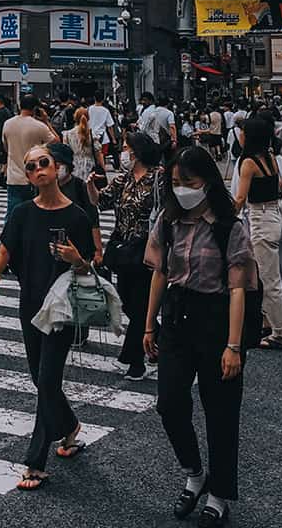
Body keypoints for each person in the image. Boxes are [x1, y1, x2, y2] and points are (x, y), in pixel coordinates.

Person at [143, 146, 255, 527]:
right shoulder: (168, 220)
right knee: (169, 403)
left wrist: (234, 346)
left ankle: (219, 493)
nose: (181, 190)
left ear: (206, 182)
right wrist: (148, 324)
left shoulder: (229, 226)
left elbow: (239, 288)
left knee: (221, 414)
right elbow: (159, 272)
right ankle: (194, 472)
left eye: (188, 183)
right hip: (176, 317)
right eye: (175, 183)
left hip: (217, 319)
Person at [0, 142, 96, 491]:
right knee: (39, 377)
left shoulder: (77, 216)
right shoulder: (22, 214)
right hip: (30, 304)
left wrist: (76, 257)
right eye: (30, 167)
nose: (37, 170)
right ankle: (71, 426)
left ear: (58, 167)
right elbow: (6, 248)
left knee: (47, 381)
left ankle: (35, 462)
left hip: (61, 309)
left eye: (43, 163)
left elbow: (91, 265)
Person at [104, 130, 161, 381]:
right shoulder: (123, 178)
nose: (123, 152)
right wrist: (90, 187)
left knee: (139, 305)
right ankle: (160, 339)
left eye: (126, 147)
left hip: (148, 248)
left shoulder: (159, 177)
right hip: (124, 248)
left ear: (136, 152)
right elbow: (102, 201)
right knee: (128, 302)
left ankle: (134, 361)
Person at [231, 118, 282, 350]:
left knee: (269, 279)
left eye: (243, 132)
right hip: (273, 216)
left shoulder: (248, 163)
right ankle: (266, 321)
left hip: (260, 219)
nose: (240, 135)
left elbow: (240, 198)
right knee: (261, 276)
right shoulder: (270, 159)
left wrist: (227, 217)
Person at [1, 92, 57, 223]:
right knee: (35, 214)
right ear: (35, 108)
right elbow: (56, 141)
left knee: (12, 214)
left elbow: (6, 147)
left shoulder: (7, 124)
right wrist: (46, 121)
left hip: (14, 177)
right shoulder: (39, 126)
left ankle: (9, 240)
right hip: (34, 177)